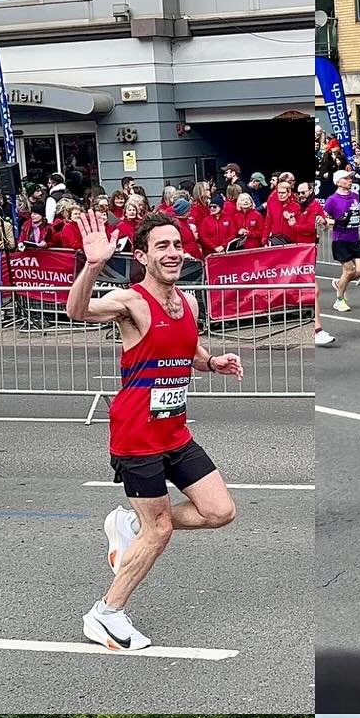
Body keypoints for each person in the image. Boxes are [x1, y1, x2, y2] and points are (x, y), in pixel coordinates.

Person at [66, 209, 241, 652]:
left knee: (220, 511)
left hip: (175, 431)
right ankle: (105, 613)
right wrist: (91, 264)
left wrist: (210, 362)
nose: (173, 253)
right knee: (159, 529)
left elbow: (187, 348)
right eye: (162, 246)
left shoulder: (190, 303)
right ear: (142, 255)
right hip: (136, 434)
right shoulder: (130, 302)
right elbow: (77, 310)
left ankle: (128, 524)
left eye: (177, 244)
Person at [326, 171, 360, 312]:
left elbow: (357, 211)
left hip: (354, 238)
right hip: (340, 239)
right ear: (338, 182)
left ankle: (339, 283)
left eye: (351, 178)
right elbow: (322, 219)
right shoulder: (332, 200)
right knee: (349, 270)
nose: (350, 180)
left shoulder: (355, 195)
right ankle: (339, 300)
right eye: (346, 178)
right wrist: (337, 221)